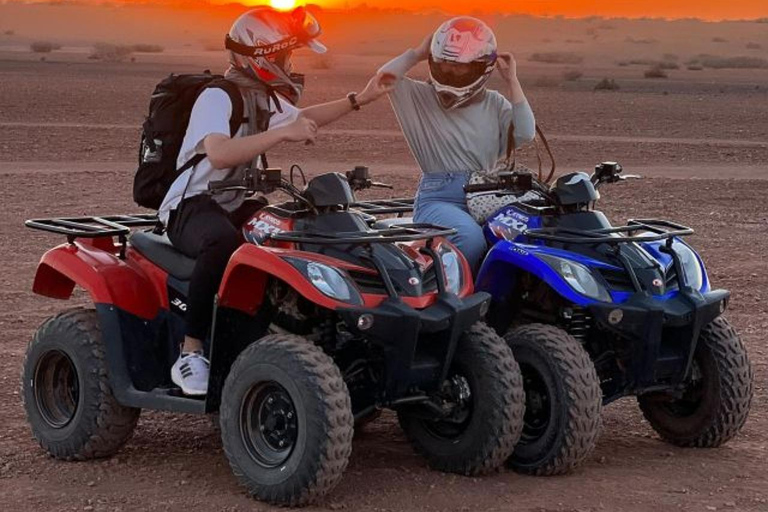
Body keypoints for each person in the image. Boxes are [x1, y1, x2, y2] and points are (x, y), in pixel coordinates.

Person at [160, 6, 393, 396]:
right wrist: (281, 136)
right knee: (222, 244)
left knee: (290, 230)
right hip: (191, 204)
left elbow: (305, 117)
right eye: (286, 55)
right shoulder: (217, 96)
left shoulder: (262, 96)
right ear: (262, 56)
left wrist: (360, 99)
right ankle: (191, 352)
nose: (289, 63)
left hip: (233, 200)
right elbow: (219, 154)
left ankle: (276, 333)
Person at [379, 16, 536, 271]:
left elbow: (526, 133)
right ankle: (453, 304)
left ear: (481, 68)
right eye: (445, 65)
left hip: (487, 194)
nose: (452, 73)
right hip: (439, 198)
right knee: (470, 239)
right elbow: (385, 79)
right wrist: (417, 53)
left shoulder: (494, 103)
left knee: (527, 237)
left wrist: (512, 81)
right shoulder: (419, 97)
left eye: (461, 68)